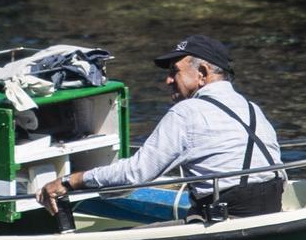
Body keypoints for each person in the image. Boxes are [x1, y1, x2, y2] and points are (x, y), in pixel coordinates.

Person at [38, 34, 285, 219]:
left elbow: (134, 174)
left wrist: (71, 181)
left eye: (174, 71)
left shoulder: (186, 112)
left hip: (227, 219)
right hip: (270, 211)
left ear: (202, 72)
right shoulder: (252, 107)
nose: (167, 80)